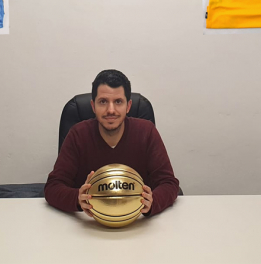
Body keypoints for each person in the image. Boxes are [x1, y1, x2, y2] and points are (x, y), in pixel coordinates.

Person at [44, 69, 179, 217]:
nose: (111, 110)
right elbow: (53, 187)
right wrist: (77, 198)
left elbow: (169, 183)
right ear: (93, 106)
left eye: (118, 102)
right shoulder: (78, 134)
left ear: (128, 106)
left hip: (137, 222)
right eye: (103, 102)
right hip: (89, 223)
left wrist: (153, 201)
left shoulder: (146, 132)